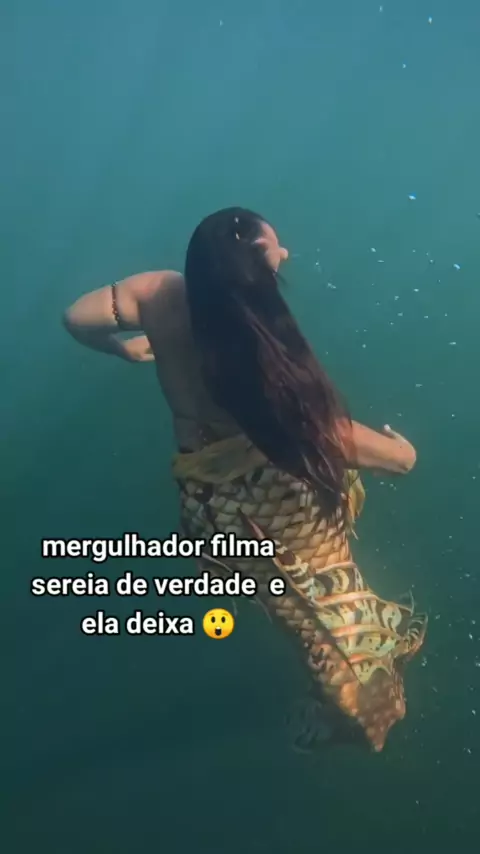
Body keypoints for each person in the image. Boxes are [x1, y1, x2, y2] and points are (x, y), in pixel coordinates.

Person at [63, 206, 427, 752]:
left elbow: (77, 318)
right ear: (252, 273)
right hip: (275, 501)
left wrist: (124, 348)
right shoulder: (257, 347)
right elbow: (328, 436)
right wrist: (403, 456)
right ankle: (359, 717)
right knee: (332, 603)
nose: (286, 254)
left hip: (209, 503)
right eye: (275, 250)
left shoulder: (157, 293)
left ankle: (338, 692)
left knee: (289, 607)